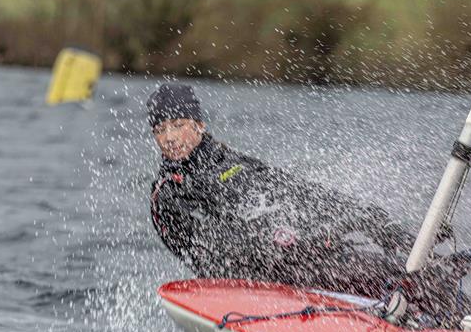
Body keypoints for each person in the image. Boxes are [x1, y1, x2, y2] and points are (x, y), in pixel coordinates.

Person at [148, 83, 416, 301]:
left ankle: (419, 258)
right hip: (268, 275)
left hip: (301, 246)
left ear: (199, 125)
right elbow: (203, 253)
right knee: (371, 271)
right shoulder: (168, 193)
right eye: (160, 130)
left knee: (364, 223)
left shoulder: (230, 160)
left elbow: (294, 191)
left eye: (178, 124)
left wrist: (362, 217)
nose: (169, 137)